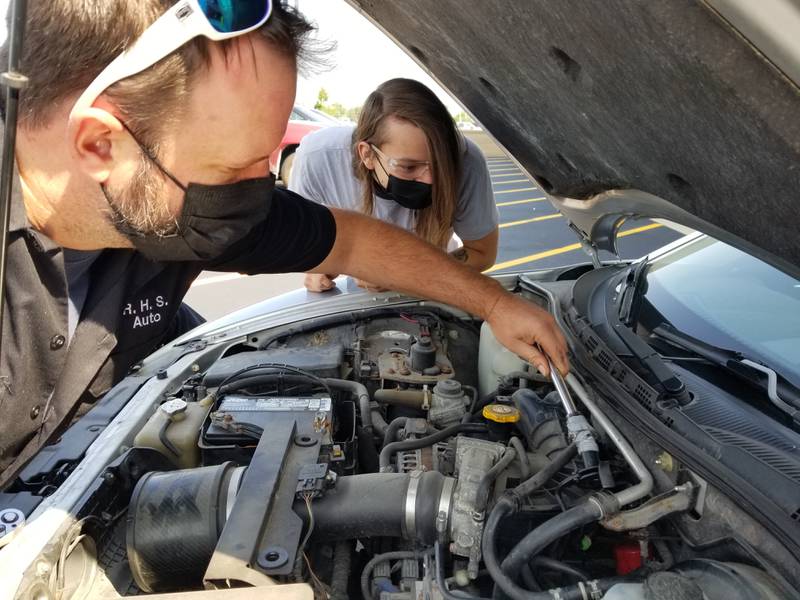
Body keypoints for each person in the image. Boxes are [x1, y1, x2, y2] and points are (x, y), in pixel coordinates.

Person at [0, 0, 568, 484]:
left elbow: (353, 242)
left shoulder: (163, 204)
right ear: (100, 145)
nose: (260, 193)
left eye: (267, 160)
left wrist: (493, 303)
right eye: (234, 169)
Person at [292, 78, 499, 292]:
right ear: (367, 155)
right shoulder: (318, 158)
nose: (430, 180)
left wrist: (402, 273)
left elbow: (482, 252)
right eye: (408, 167)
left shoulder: (465, 160)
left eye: (440, 165)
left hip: (437, 284)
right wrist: (318, 267)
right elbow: (299, 240)